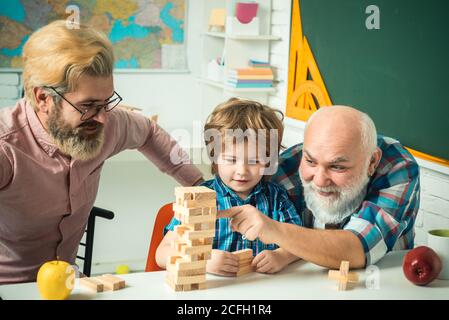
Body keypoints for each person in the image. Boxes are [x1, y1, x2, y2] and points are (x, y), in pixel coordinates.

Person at [0, 20, 203, 284]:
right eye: (89, 105)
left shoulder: (106, 122)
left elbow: (150, 133)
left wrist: (203, 188)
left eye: (107, 103)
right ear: (43, 99)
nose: (104, 119)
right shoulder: (6, 146)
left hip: (70, 282)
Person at [218, 106, 420, 269]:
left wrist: (275, 230)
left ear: (372, 162)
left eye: (337, 166)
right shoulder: (283, 168)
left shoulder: (397, 167)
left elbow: (357, 249)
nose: (320, 180)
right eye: (311, 161)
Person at [156, 98, 301, 276]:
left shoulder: (277, 198)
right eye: (231, 160)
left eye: (255, 161)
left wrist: (281, 256)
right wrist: (202, 260)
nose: (242, 171)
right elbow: (162, 254)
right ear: (214, 157)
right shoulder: (198, 199)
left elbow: (300, 242)